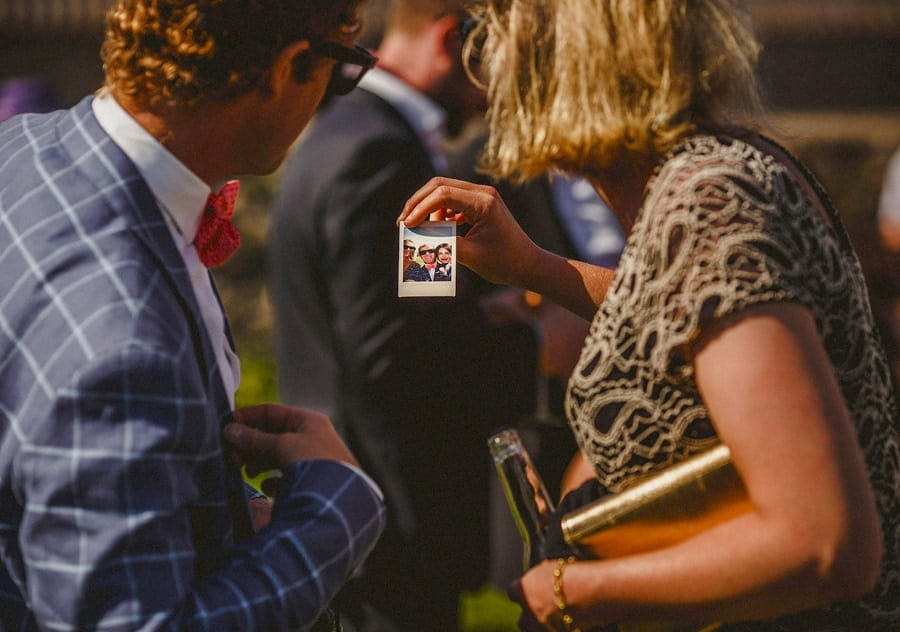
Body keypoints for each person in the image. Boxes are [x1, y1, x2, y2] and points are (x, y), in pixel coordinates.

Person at [399, 0, 900, 630]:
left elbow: (825, 544)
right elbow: (689, 313)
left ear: (566, 55)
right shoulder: (711, 170)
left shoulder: (709, 200)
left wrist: (575, 591)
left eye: (499, 28)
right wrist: (533, 267)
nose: (485, 58)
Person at [0, 1, 387, 630]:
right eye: (342, 70)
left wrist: (223, 517)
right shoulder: (123, 344)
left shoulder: (21, 147)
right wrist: (336, 509)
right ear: (287, 69)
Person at [268, 1, 542, 628]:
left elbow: (414, 311)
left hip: (349, 519)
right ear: (450, 40)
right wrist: (537, 347)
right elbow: (400, 355)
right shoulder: (387, 159)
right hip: (391, 530)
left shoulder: (347, 131)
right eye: (495, 64)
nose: (494, 93)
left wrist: (480, 313)